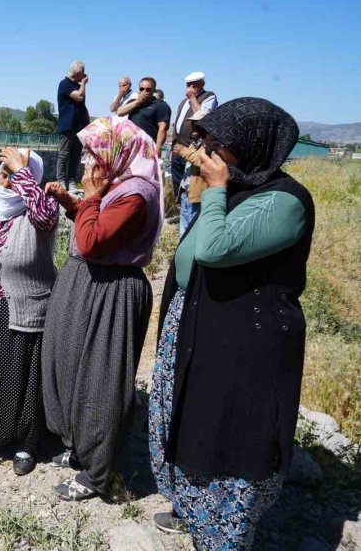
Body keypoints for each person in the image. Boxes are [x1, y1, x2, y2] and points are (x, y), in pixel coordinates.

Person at [149, 98, 315, 549]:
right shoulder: (240, 188)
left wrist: (215, 189)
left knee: (230, 434)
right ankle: (193, 511)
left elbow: (214, 250)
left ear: (254, 147)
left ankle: (224, 534)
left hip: (248, 343)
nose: (209, 152)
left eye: (220, 144)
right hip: (206, 324)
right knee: (195, 421)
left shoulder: (284, 200)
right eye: (208, 141)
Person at [42, 116, 164, 501]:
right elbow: (95, 227)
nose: (86, 162)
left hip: (111, 293)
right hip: (88, 285)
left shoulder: (136, 193)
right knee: (71, 366)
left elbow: (95, 242)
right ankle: (81, 447)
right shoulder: (118, 186)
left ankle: (99, 474)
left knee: (100, 380)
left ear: (118, 152)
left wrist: (91, 198)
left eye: (94, 153)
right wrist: (72, 203)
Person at [0, 147, 58, 477]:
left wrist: (23, 173)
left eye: (15, 175)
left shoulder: (40, 208)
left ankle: (27, 443)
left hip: (27, 306)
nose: (7, 181)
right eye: (4, 173)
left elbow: (45, 217)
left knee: (26, 380)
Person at [170, 72, 218, 196]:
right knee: (177, 182)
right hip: (178, 148)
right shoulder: (183, 102)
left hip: (193, 147)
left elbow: (202, 117)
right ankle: (180, 207)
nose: (191, 87)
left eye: (194, 84)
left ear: (202, 84)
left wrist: (192, 98)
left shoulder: (209, 96)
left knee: (190, 183)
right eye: (188, 85)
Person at [55, 60, 91, 190]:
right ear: (77, 74)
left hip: (79, 127)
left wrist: (87, 123)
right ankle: (61, 180)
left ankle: (72, 181)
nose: (85, 75)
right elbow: (79, 97)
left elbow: (82, 105)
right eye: (82, 73)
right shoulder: (64, 84)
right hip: (67, 126)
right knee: (64, 154)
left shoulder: (77, 85)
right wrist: (83, 84)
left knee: (76, 155)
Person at [173, 110, 208, 236]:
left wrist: (185, 152)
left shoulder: (209, 145)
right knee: (184, 230)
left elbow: (205, 163)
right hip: (187, 194)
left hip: (197, 198)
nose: (193, 126)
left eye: (196, 123)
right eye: (192, 123)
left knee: (193, 232)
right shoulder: (195, 144)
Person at [117, 77, 171, 153]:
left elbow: (162, 129)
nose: (144, 91)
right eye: (141, 89)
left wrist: (158, 149)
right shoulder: (133, 102)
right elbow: (119, 112)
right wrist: (137, 102)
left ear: (154, 90)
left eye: (148, 89)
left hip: (148, 148)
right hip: (130, 146)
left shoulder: (161, 105)